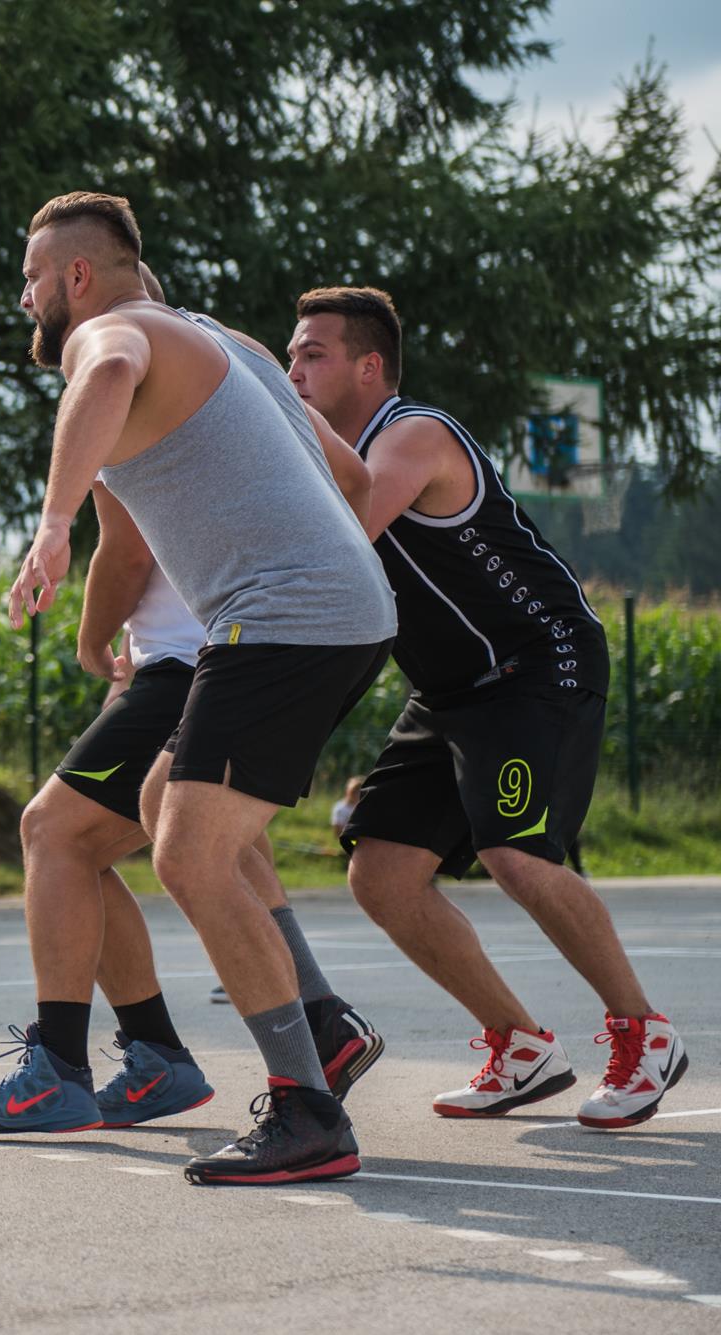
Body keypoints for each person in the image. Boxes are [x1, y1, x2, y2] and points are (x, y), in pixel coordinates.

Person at [4, 192, 397, 1185]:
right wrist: (323, 565)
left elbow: (106, 370)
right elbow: (353, 481)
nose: (26, 300)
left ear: (77, 276)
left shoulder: (111, 335)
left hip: (282, 617)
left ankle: (307, 1111)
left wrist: (52, 524)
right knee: (161, 806)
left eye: (32, 280)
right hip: (323, 609)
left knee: (188, 852)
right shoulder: (233, 345)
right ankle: (320, 1028)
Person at [287, 285, 689, 1128]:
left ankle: (645, 1033)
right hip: (450, 691)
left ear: (369, 367)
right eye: (289, 355)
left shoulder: (412, 434)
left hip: (537, 663)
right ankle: (521, 1045)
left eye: (312, 355)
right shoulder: (335, 456)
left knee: (517, 853)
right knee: (381, 872)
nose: (293, 371)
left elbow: (342, 536)